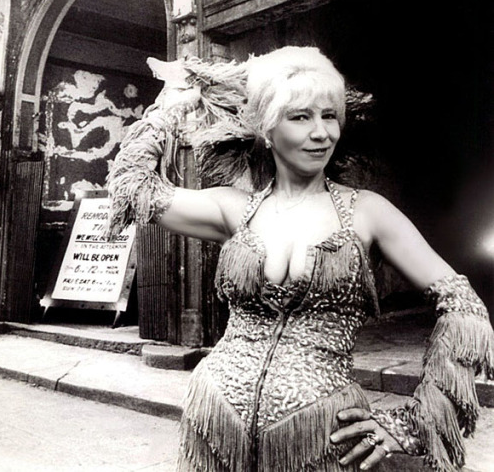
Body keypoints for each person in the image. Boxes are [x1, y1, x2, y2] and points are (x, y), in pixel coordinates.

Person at [107, 46, 494, 472]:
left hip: (321, 439)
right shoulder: (234, 209)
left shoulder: (367, 212)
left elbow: (464, 308)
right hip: (213, 423)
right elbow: (136, 188)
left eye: (329, 116)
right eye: (301, 117)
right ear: (267, 128)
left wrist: (414, 424)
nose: (322, 133)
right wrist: (174, 105)